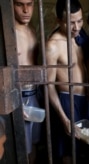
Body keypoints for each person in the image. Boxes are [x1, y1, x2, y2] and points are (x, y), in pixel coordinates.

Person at [46, 0, 89, 163]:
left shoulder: (79, 35)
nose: (77, 27)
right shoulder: (52, 46)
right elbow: (49, 86)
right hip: (66, 101)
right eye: (71, 23)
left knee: (84, 149)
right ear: (59, 20)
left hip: (85, 99)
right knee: (67, 150)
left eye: (79, 21)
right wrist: (64, 118)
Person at [14, 0, 42, 163]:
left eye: (29, 4)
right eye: (19, 4)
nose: (26, 10)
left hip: (34, 95)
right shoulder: (7, 35)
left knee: (35, 145)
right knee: (22, 150)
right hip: (18, 98)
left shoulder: (32, 31)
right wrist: (15, 103)